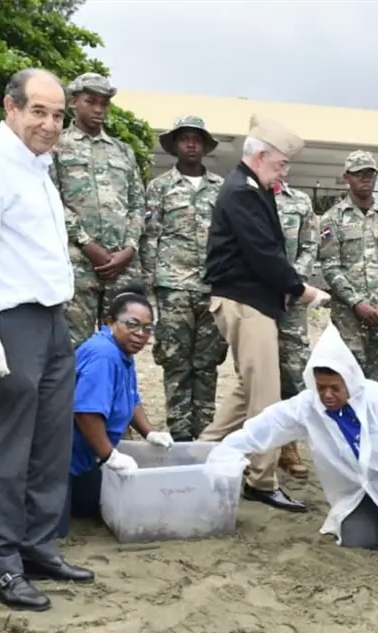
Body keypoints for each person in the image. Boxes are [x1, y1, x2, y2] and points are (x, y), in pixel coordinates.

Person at [0, 68, 92, 611]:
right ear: (10, 108)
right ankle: (0, 562)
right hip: (8, 321)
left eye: (57, 115)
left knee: (49, 441)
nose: (50, 124)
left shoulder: (37, 168)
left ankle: (36, 544)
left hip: (51, 318)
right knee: (6, 444)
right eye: (39, 111)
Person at [204, 324, 378, 572]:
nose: (327, 395)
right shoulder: (308, 406)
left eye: (335, 387)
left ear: (350, 381)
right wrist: (223, 452)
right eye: (321, 388)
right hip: (357, 493)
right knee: (360, 541)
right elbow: (265, 427)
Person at [0, 287, 174, 533]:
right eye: (132, 324)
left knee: (93, 506)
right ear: (109, 322)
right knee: (49, 528)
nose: (140, 334)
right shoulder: (104, 355)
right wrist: (109, 455)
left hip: (81, 460)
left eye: (147, 328)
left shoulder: (122, 352)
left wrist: (149, 433)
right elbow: (86, 413)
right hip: (55, 459)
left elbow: (131, 398)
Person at [197, 114, 328, 513]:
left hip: (252, 302)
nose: (285, 171)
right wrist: (299, 289)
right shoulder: (242, 192)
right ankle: (261, 479)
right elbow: (263, 253)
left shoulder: (253, 188)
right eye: (281, 164)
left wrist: (283, 290)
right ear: (260, 156)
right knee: (266, 398)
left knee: (246, 391)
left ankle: (199, 454)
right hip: (244, 302)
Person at [142, 115, 226, 443]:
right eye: (184, 138)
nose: (191, 143)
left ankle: (203, 437)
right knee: (176, 363)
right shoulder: (160, 188)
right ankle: (179, 436)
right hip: (172, 287)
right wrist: (149, 293)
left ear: (204, 146)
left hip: (212, 288)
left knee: (207, 365)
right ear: (175, 145)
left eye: (196, 138)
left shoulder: (222, 188)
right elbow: (150, 238)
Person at [52, 73, 146, 348]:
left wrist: (128, 248)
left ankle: (115, 393)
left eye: (104, 103)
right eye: (90, 101)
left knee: (122, 346)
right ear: (73, 102)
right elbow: (52, 201)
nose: (98, 109)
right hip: (78, 263)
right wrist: (87, 243)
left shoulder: (123, 151)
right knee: (75, 348)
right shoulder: (57, 145)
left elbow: (137, 205)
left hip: (121, 266)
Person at [319, 150, 378, 385]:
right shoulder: (333, 219)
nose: (365, 178)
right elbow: (330, 267)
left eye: (370, 173)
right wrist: (357, 303)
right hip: (349, 316)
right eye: (359, 174)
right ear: (347, 177)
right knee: (347, 379)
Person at [273, 180, 319, 479]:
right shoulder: (246, 196)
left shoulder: (300, 201)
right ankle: (261, 447)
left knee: (293, 372)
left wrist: (292, 282)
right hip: (255, 299)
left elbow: (310, 245)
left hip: (292, 302)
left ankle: (288, 446)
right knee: (255, 374)